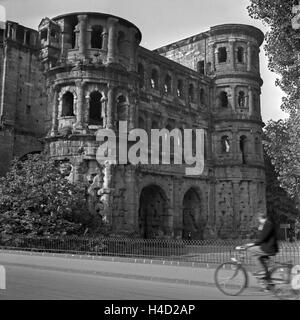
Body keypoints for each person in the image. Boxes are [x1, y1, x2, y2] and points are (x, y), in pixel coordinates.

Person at [246, 212, 279, 286]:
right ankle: (269, 284)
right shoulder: (266, 224)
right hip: (267, 246)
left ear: (261, 218)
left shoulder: (268, 224)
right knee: (262, 262)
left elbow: (263, 238)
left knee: (250, 250)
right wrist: (260, 228)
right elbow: (263, 236)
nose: (259, 221)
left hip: (268, 248)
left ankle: (262, 271)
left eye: (259, 219)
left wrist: (253, 244)